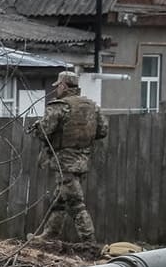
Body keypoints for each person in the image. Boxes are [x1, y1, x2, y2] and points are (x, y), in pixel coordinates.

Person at [29, 71, 107, 244]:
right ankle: (50, 235)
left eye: (58, 86)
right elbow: (102, 131)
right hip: (83, 161)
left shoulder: (59, 106)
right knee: (59, 200)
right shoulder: (92, 106)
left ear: (63, 86)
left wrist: (37, 128)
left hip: (64, 162)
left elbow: (44, 132)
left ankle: (89, 241)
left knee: (75, 202)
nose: (57, 90)